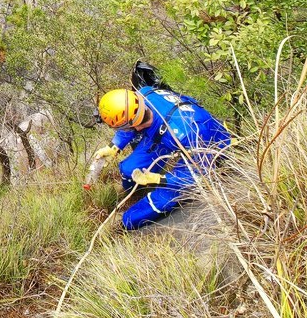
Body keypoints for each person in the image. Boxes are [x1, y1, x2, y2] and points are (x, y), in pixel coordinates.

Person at [92, 63, 231, 230]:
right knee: (129, 168)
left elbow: (194, 176)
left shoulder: (187, 132)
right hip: (161, 133)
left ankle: (125, 221)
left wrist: (160, 179)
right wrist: (114, 146)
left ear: (134, 124)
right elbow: (129, 121)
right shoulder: (143, 94)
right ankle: (133, 191)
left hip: (207, 143)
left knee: (164, 198)